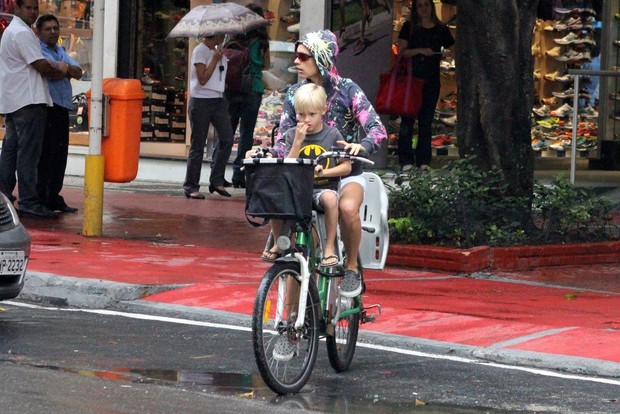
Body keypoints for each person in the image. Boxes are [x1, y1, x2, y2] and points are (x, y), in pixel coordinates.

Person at [271, 29, 387, 298]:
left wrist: (363, 145)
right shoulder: (294, 94)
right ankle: (291, 323)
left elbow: (377, 129)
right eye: (295, 56)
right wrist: (269, 154)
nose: (296, 62)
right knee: (291, 231)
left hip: (345, 174)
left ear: (322, 59)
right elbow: (282, 139)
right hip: (307, 176)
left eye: (303, 56)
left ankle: (350, 268)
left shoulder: (347, 89)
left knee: (347, 208)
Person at [263, 83, 352, 272]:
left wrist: (324, 172)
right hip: (297, 190)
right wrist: (297, 142)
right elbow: (287, 165)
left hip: (322, 189)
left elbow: (346, 166)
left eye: (312, 114)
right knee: (273, 197)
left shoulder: (333, 134)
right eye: (301, 114)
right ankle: (279, 240)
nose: (306, 119)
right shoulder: (292, 134)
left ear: (323, 111)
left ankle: (328, 247)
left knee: (330, 198)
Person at [0, 0, 69, 218]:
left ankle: (4, 196)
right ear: (17, 9)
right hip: (28, 101)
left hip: (16, 100)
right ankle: (29, 201)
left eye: (35, 8)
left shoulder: (17, 31)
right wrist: (60, 68)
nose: (32, 12)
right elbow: (39, 64)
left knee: (11, 152)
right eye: (28, 8)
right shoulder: (21, 33)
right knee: (28, 155)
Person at [397, 0, 454, 172]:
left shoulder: (441, 28)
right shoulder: (409, 27)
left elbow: (453, 47)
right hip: (411, 80)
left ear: (431, 7)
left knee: (426, 121)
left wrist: (448, 53)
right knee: (407, 120)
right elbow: (402, 51)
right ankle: (405, 160)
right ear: (416, 9)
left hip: (432, 80)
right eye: (420, 6)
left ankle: (424, 161)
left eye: (426, 5)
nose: (423, 9)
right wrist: (421, 51)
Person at [36, 14, 82, 213]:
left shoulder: (60, 51)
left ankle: (54, 195)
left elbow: (78, 71)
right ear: (38, 32)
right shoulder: (38, 50)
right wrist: (62, 70)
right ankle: (42, 197)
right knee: (47, 154)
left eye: (56, 28)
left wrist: (65, 68)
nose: (53, 32)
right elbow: (49, 71)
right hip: (48, 107)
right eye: (48, 29)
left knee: (60, 154)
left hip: (62, 106)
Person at [183, 34, 234, 199]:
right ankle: (191, 186)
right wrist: (215, 59)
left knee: (227, 138)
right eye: (222, 35)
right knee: (198, 143)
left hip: (218, 99)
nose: (224, 37)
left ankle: (217, 179)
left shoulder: (215, 51)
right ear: (215, 35)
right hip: (201, 100)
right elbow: (202, 78)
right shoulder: (200, 51)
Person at [227, 3, 269, 189]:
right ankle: (239, 174)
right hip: (253, 88)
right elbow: (265, 65)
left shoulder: (234, 36)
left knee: (227, 131)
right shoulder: (261, 40)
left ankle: (217, 173)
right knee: (246, 133)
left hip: (233, 87)